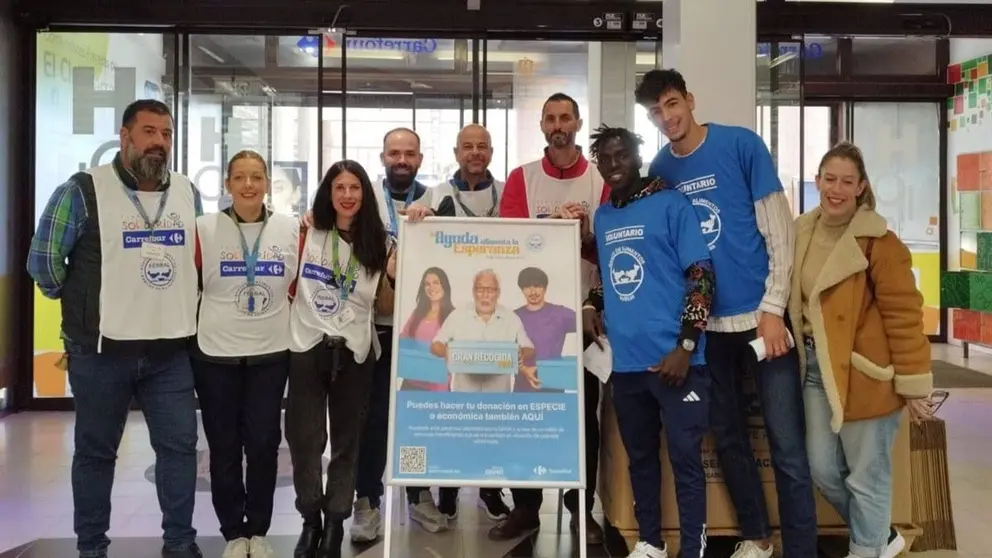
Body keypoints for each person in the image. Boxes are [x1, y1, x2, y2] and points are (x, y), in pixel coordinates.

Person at [638, 69, 817, 558]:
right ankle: (757, 537)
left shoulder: (742, 146)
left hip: (762, 321)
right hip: (706, 332)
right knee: (730, 440)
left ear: (689, 100)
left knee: (787, 445)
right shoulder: (659, 169)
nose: (667, 117)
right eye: (655, 112)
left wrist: (774, 307)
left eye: (672, 103)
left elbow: (779, 230)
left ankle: (801, 548)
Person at [27, 99, 203, 558]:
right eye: (148, 132)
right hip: (101, 353)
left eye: (165, 133)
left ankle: (180, 543)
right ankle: (91, 548)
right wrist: (84, 306)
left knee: (180, 450)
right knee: (96, 453)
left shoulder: (186, 191)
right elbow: (43, 263)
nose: (159, 143)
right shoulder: (83, 191)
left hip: (170, 351)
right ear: (124, 137)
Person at [791, 143, 934, 558]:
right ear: (817, 180)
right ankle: (881, 537)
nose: (836, 189)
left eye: (847, 181)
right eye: (829, 179)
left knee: (866, 478)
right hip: (816, 370)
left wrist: (913, 382)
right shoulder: (802, 231)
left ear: (861, 187)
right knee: (821, 468)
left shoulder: (881, 243)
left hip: (865, 374)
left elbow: (905, 316)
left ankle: (866, 549)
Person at [584, 125, 714, 558]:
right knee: (640, 458)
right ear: (598, 164)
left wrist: (686, 346)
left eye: (622, 155)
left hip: (678, 362)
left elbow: (701, 275)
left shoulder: (672, 204)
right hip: (627, 367)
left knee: (684, 459)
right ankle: (651, 541)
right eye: (605, 157)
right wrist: (590, 304)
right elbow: (610, 277)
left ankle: (692, 550)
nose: (614, 164)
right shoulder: (604, 216)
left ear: (638, 158)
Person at [493, 92, 608, 545]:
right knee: (523, 413)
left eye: (566, 117)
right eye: (551, 118)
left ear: (578, 123)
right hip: (528, 320)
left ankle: (581, 507)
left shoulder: (600, 181)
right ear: (542, 126)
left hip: (582, 316)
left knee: (583, 418)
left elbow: (613, 251)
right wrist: (551, 232)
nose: (558, 125)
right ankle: (525, 508)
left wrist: (579, 237)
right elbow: (511, 246)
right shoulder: (522, 179)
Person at [400, 123, 513, 524]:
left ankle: (489, 488)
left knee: (488, 407)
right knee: (455, 403)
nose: (475, 153)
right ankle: (447, 488)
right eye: (468, 146)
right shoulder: (437, 194)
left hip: (491, 305)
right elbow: (424, 241)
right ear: (456, 151)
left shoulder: (507, 193)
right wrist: (420, 216)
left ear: (492, 152)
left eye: (482, 146)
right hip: (453, 311)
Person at [191, 150, 300, 558]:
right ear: (227, 185)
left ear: (269, 183)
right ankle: (233, 532)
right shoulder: (204, 228)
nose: (249, 185)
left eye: (257, 177)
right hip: (215, 354)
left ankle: (259, 529)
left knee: (263, 444)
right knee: (222, 446)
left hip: (271, 354)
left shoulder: (290, 229)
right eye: (240, 177)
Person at [285, 160, 397, 558]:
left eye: (355, 187)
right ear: (328, 193)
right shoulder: (307, 232)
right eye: (339, 187)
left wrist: (397, 266)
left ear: (365, 194)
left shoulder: (379, 242)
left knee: (348, 443)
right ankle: (309, 520)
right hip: (306, 347)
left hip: (355, 352)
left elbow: (394, 292)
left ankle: (335, 522)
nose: (347, 195)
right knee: (305, 440)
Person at [349, 127, 457, 538]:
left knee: (418, 417)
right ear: (382, 157)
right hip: (374, 327)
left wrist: (432, 227)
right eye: (394, 153)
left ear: (420, 159)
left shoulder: (435, 200)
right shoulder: (365, 200)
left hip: (420, 332)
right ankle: (367, 500)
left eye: (409, 153)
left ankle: (419, 496)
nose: (401, 160)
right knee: (372, 418)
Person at [430, 269, 539, 392]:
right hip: (464, 397)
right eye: (480, 289)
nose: (485, 295)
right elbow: (435, 345)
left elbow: (529, 348)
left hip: (499, 398)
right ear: (473, 292)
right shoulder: (457, 315)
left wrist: (521, 352)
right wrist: (446, 351)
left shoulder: (511, 318)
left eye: (491, 290)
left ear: (498, 293)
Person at [400, 267, 456, 392]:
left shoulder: (453, 316)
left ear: (444, 286)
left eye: (436, 282)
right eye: (427, 284)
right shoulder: (418, 313)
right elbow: (403, 339)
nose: (431, 288)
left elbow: (457, 352)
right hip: (411, 383)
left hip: (437, 388)